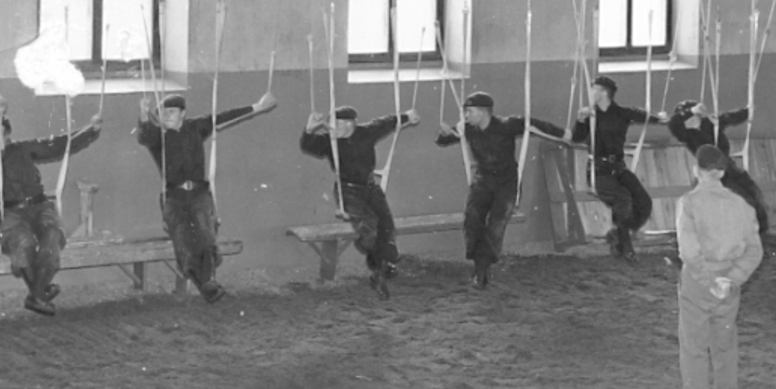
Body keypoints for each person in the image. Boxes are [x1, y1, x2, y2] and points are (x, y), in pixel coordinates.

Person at [658, 144, 764, 389]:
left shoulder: (690, 203)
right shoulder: (743, 205)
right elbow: (754, 251)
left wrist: (708, 280)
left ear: (697, 170)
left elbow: (689, 252)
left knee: (693, 349)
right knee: (725, 347)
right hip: (729, 285)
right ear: (722, 171)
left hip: (698, 283)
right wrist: (732, 279)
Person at [137, 90, 276, 303]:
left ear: (183, 113)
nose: (166, 115)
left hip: (199, 194)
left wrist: (257, 106)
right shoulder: (159, 138)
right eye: (162, 112)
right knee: (182, 239)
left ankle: (208, 280)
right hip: (173, 197)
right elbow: (145, 135)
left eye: (171, 111)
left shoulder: (195, 127)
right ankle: (206, 285)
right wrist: (143, 114)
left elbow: (223, 117)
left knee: (205, 231)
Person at [0, 98, 102, 316]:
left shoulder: (22, 150)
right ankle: (40, 292)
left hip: (41, 207)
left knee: (52, 236)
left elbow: (57, 145)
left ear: (6, 132)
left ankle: (36, 295)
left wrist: (90, 131)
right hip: (12, 213)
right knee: (23, 243)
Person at [436, 91, 569, 289]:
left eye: (469, 112)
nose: (466, 116)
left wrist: (564, 134)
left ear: (482, 112)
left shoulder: (507, 125)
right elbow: (443, 140)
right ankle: (479, 262)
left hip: (506, 183)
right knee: (472, 218)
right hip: (483, 181)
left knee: (496, 224)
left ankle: (482, 267)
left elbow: (534, 124)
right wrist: (445, 134)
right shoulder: (468, 128)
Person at [299, 104, 420, 299]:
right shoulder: (330, 140)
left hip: (371, 189)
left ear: (350, 124)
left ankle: (380, 271)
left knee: (387, 226)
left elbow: (387, 122)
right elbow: (308, 145)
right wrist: (309, 129)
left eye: (336, 124)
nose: (331, 128)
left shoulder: (367, 132)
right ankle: (381, 262)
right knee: (368, 227)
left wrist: (407, 116)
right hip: (347, 191)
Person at [570, 76, 665, 262]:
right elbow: (576, 138)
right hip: (599, 170)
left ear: (604, 93)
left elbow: (642, 115)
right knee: (623, 199)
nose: (591, 93)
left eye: (594, 89)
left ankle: (617, 232)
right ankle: (626, 247)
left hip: (619, 168)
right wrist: (580, 120)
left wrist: (659, 118)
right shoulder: (590, 116)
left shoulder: (621, 113)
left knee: (643, 202)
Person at [668, 99, 770, 234]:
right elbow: (674, 123)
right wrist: (691, 111)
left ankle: (759, 230)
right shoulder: (685, 133)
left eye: (691, 117)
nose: (688, 121)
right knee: (729, 199)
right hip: (709, 171)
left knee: (752, 194)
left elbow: (729, 117)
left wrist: (747, 110)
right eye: (686, 118)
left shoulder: (710, 123)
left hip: (728, 167)